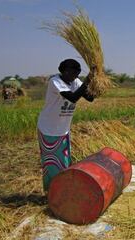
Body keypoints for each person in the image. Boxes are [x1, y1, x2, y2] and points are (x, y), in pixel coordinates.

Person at [37, 59, 95, 192]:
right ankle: (53, 193)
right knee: (53, 165)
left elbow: (90, 98)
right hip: (49, 130)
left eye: (79, 73)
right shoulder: (55, 81)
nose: (77, 76)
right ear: (65, 71)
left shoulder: (75, 81)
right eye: (75, 72)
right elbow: (73, 97)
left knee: (65, 163)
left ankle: (63, 191)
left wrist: (95, 82)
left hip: (63, 130)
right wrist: (88, 79)